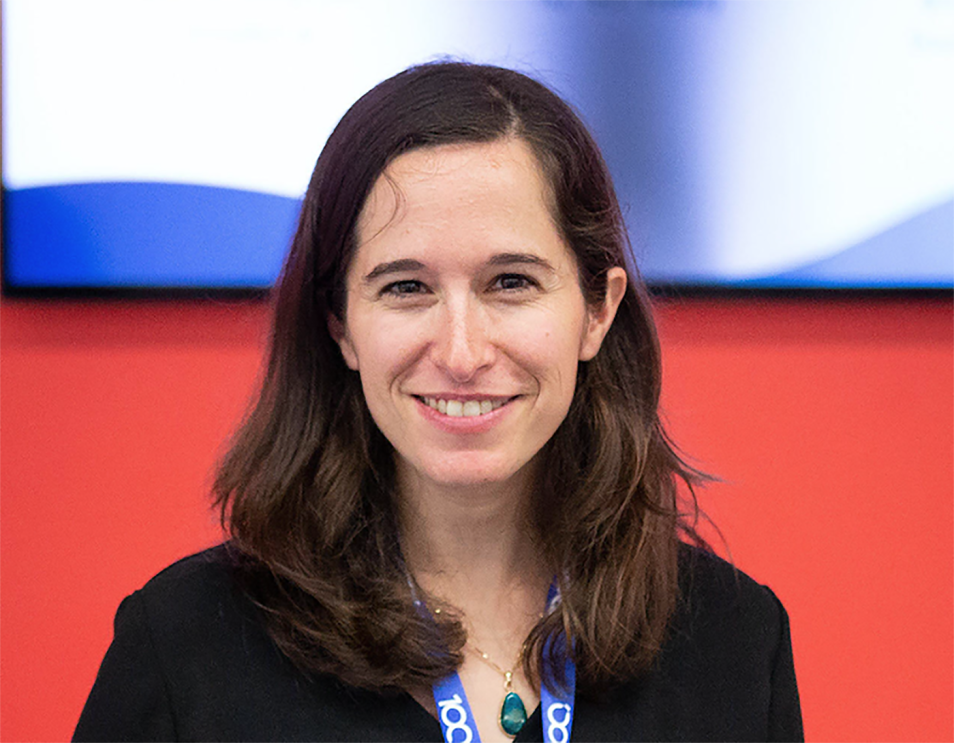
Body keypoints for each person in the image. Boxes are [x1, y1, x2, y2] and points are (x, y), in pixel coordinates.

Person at [73, 62, 803, 742]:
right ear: (340, 324)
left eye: (511, 282)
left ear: (596, 311)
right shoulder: (184, 645)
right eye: (406, 287)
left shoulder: (735, 642)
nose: (461, 352)